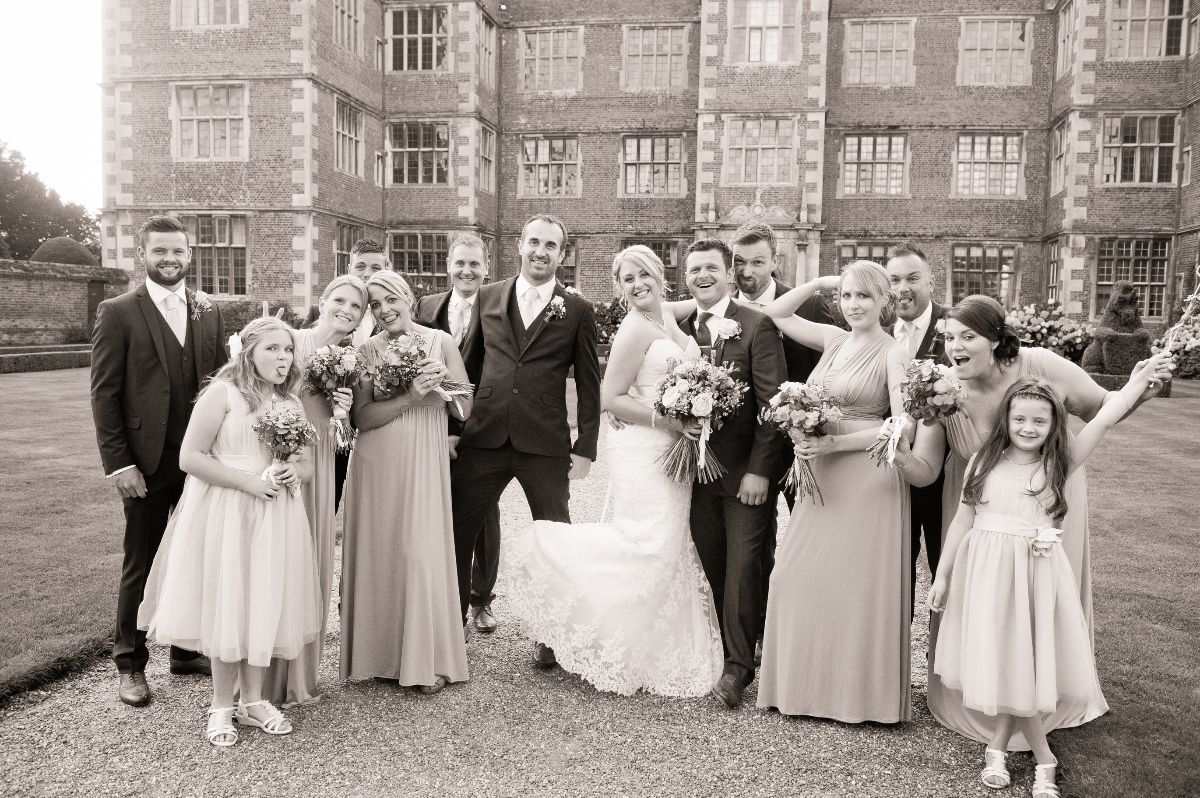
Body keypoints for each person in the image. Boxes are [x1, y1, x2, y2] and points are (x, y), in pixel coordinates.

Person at [892, 295, 1174, 742]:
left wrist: (1141, 386)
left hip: (1045, 501)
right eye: (949, 338)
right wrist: (898, 453)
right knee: (983, 601)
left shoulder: (1038, 364)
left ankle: (1045, 694)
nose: (954, 347)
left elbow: (1102, 409)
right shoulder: (940, 388)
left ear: (996, 340)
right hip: (978, 507)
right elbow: (925, 472)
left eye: (967, 337)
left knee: (1040, 600)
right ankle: (980, 694)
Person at [927, 356, 1169, 798]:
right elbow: (962, 521)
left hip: (1034, 576)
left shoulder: (1059, 464)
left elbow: (1105, 418)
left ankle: (1037, 757)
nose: (1028, 427)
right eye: (1020, 418)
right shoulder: (983, 461)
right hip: (985, 575)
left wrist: (1134, 384)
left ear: (1054, 425)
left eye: (1040, 420)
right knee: (1006, 658)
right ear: (1007, 420)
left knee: (1025, 660)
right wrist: (943, 577)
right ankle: (1012, 749)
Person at [503, 246, 723, 696]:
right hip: (644, 447)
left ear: (660, 275)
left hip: (670, 446)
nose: (637, 284)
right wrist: (675, 421)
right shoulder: (634, 327)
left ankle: (639, 640)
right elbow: (611, 398)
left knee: (668, 543)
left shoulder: (668, 316)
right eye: (627, 279)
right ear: (620, 288)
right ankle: (562, 581)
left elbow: (707, 303)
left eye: (643, 274)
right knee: (645, 543)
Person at [137, 317, 322, 746]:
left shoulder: (290, 403)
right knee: (230, 600)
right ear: (249, 353)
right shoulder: (222, 394)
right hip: (229, 510)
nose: (282, 357)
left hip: (276, 515)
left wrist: (294, 471)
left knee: (263, 598)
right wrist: (249, 483)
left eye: (288, 349)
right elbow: (190, 457)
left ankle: (253, 701)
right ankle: (222, 704)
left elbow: (307, 464)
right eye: (272, 349)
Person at [756, 260, 912, 724]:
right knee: (794, 578)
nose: (854, 304)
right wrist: (824, 281)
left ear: (885, 301)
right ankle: (806, 690)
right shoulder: (833, 339)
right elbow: (775, 313)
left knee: (857, 589)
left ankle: (857, 700)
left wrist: (834, 442)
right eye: (847, 296)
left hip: (866, 476)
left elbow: (899, 428)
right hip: (820, 471)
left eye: (864, 295)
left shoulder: (895, 352)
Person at [449, 214, 602, 665]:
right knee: (458, 532)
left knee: (556, 541)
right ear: (519, 245)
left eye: (551, 246)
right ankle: (449, 625)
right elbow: (468, 369)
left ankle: (553, 635)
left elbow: (590, 383)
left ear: (562, 254)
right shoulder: (489, 296)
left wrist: (586, 447)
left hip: (545, 443)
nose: (541, 251)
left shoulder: (576, 310)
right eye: (534, 242)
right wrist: (455, 431)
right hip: (484, 438)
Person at [90, 214, 227, 707]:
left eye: (178, 252)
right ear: (142, 256)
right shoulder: (118, 311)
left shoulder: (208, 311)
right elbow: (105, 395)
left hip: (200, 460)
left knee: (196, 556)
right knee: (141, 563)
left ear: (190, 255)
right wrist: (119, 463)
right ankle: (130, 662)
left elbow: (219, 384)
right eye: (159, 252)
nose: (169, 259)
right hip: (146, 464)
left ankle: (186, 652)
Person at [341, 270, 471, 693]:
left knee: (419, 552)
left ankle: (425, 660)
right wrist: (411, 396)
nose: (383, 311)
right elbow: (363, 419)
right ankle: (382, 658)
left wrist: (444, 388)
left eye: (389, 299)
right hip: (377, 464)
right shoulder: (366, 351)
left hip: (422, 463)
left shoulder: (441, 342)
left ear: (407, 298)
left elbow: (465, 409)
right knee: (384, 554)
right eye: (374, 305)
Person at [676, 238, 787, 709]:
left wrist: (761, 471)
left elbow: (773, 404)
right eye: (695, 269)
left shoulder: (756, 326)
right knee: (715, 568)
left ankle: (738, 670)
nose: (703, 276)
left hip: (743, 474)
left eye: (712, 268)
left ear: (728, 273)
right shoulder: (678, 328)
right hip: (692, 477)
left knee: (744, 570)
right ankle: (727, 650)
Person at [729, 221, 832, 664]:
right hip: (742, 452)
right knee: (754, 545)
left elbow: (829, 372)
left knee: (810, 539)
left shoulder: (809, 306)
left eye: (757, 261)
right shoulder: (721, 308)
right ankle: (756, 631)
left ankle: (806, 634)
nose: (747, 270)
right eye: (740, 261)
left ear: (775, 261)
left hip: (799, 449)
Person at [261, 275, 367, 706]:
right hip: (282, 457)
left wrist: (343, 409)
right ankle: (263, 679)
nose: (346, 310)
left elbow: (344, 426)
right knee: (275, 559)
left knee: (313, 559)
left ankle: (299, 678)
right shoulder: (291, 341)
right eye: (339, 300)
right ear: (322, 301)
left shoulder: (351, 357)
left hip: (320, 461)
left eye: (356, 306)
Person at [414, 235, 502, 634]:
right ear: (448, 265)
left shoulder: (500, 307)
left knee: (483, 514)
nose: (467, 271)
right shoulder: (427, 307)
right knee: (435, 510)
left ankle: (480, 599)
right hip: (432, 426)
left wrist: (466, 431)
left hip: (482, 428)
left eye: (475, 264)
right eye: (460, 263)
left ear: (487, 267)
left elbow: (497, 373)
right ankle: (440, 597)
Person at [883, 243, 947, 611]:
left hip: (943, 471)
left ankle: (942, 659)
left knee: (944, 565)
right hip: (893, 472)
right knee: (895, 569)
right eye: (894, 280)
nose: (903, 288)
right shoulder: (876, 328)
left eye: (913, 278)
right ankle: (895, 653)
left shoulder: (954, 327)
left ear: (931, 282)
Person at [329, 239, 392, 511]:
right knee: (331, 487)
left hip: (378, 417)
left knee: (377, 497)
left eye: (375, 267)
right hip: (336, 421)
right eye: (361, 266)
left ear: (387, 269)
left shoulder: (392, 316)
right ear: (348, 268)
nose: (367, 274)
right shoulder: (333, 312)